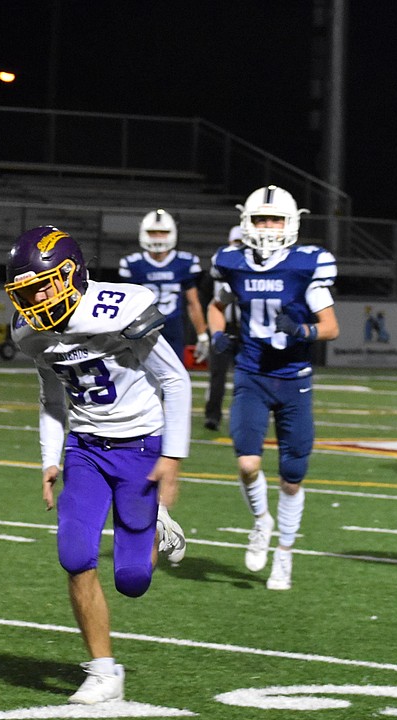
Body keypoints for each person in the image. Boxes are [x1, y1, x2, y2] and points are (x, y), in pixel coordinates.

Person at [5, 225, 192, 704]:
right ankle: (104, 671)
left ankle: (153, 527)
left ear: (73, 274)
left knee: (133, 580)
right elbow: (51, 397)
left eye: (42, 285)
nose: (35, 299)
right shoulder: (30, 331)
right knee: (74, 556)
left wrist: (172, 455)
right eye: (26, 291)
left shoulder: (117, 309)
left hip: (141, 446)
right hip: (85, 448)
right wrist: (50, 459)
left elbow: (175, 380)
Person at [207, 185, 339, 590]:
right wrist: (215, 335)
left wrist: (301, 329)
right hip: (251, 373)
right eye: (261, 219)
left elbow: (331, 327)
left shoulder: (306, 265)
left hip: (293, 378)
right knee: (247, 464)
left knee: (291, 477)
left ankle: (284, 554)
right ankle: (260, 521)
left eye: (275, 220)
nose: (267, 227)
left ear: (291, 223)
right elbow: (217, 306)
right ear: (246, 222)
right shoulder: (232, 262)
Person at [118, 208, 210, 362]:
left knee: (175, 378)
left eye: (163, 232)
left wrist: (202, 335)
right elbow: (125, 304)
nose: (158, 237)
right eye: (153, 232)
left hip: (173, 327)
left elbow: (193, 303)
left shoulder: (184, 262)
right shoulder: (133, 264)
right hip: (142, 326)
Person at [204, 225, 244, 431]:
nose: (239, 246)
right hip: (223, 325)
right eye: (236, 241)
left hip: (245, 329)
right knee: (217, 375)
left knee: (245, 376)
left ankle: (241, 417)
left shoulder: (252, 264)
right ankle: (213, 415)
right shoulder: (220, 261)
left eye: (242, 242)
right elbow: (208, 295)